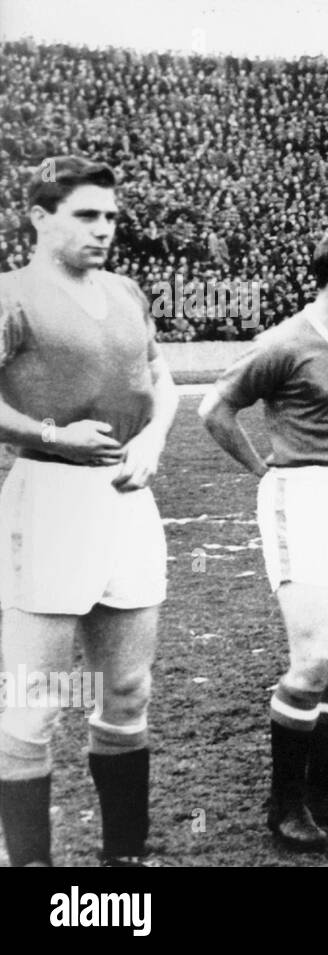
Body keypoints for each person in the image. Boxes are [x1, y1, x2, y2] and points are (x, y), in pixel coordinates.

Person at [0, 157, 177, 866]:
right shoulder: (12, 294)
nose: (104, 229)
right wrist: (50, 433)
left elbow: (160, 379)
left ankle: (123, 862)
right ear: (40, 218)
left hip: (127, 501)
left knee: (128, 690)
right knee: (33, 700)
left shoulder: (126, 290)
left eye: (110, 216)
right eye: (86, 215)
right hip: (47, 499)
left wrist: (158, 437)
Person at [199, 228, 328, 852]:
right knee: (311, 661)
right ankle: (284, 806)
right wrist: (264, 470)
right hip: (302, 498)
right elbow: (214, 410)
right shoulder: (282, 343)